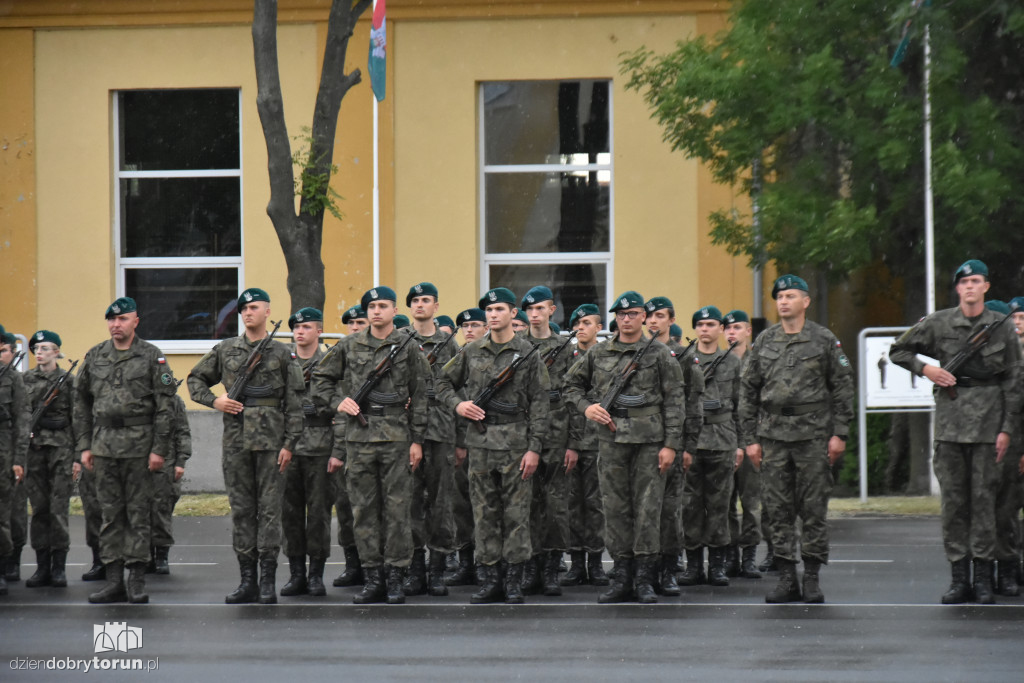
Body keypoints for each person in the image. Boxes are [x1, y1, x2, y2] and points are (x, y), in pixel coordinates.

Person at [890, 261, 1022, 604]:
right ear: (957, 288)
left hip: (989, 426)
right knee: (953, 505)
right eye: (964, 282)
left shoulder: (1001, 326)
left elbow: (1013, 381)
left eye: (976, 281)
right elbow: (898, 350)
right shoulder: (939, 322)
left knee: (984, 502)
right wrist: (928, 369)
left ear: (986, 287)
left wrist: (1007, 429)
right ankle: (959, 577)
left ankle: (982, 578)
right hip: (950, 427)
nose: (969, 287)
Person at [563, 291, 685, 603]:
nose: (626, 319)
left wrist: (671, 444)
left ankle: (645, 578)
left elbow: (674, 402)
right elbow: (570, 386)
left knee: (647, 510)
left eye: (632, 314)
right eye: (621, 315)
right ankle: (622, 576)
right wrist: (587, 408)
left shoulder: (659, 354)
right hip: (611, 440)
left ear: (644, 317)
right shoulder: (599, 353)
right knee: (615, 510)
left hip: (649, 441)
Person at [739, 275, 854, 604]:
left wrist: (840, 433)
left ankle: (813, 577)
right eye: (779, 296)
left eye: (791, 295)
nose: (783, 301)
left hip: (813, 436)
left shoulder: (823, 340)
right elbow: (747, 390)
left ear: (805, 301)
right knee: (778, 510)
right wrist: (750, 439)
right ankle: (787, 576)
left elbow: (843, 386)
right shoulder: (764, 342)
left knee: (814, 510)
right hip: (773, 437)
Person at [311, 286, 430, 605]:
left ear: (394, 310)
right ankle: (373, 577)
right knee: (363, 510)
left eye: (383, 305)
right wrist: (340, 402)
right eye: (372, 306)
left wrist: (417, 440)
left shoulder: (408, 347)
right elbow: (319, 382)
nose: (377, 311)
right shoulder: (349, 346)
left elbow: (421, 395)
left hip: (396, 437)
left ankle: (395, 578)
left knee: (397, 511)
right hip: (359, 439)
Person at [188, 288, 305, 605]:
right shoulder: (226, 350)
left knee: (270, 512)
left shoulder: (282, 354)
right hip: (237, 442)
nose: (248, 312)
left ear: (267, 311)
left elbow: (295, 404)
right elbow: (195, 380)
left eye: (254, 307)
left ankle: (267, 581)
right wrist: (216, 400)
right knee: (242, 512)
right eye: (244, 308)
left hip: (272, 443)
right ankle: (247, 581)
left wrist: (290, 444)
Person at [435, 287, 551, 604]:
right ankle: (489, 580)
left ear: (514, 314)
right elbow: (441, 383)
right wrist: (459, 406)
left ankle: (513, 580)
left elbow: (541, 405)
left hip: (516, 444)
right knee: (484, 514)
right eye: (489, 310)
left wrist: (534, 449)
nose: (493, 315)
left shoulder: (528, 354)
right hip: (481, 444)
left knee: (516, 515)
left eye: (500, 309)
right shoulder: (471, 351)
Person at [74, 297, 178, 604]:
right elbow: (81, 404)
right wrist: (84, 445)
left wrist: (159, 449)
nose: (115, 325)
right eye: (111, 320)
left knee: (137, 515)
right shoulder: (95, 356)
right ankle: (113, 579)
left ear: (136, 322)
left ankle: (136, 579)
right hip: (104, 447)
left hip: (139, 447)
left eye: (122, 319)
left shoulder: (151, 356)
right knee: (110, 515)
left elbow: (165, 406)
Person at [644, 296, 703, 595]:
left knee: (669, 512)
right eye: (650, 316)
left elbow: (692, 406)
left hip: (673, 445)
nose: (653, 321)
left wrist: (688, 446)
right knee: (642, 511)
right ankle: (643, 570)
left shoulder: (684, 356)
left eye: (660, 316)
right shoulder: (637, 353)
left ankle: (668, 569)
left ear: (671, 320)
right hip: (641, 444)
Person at [679, 306, 741, 587]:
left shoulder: (732, 362)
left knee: (720, 505)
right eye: (700, 324)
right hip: (692, 442)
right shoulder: (683, 360)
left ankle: (717, 564)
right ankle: (693, 565)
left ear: (720, 329)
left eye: (711, 324)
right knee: (690, 506)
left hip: (723, 439)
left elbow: (742, 405)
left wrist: (741, 443)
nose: (705, 329)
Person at [521, 286, 577, 596]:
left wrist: (573, 443)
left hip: (558, 430)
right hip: (525, 430)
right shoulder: (518, 345)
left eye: (540, 308)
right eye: (529, 310)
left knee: (556, 503)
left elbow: (574, 395)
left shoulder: (564, 346)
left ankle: (553, 566)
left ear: (551, 310)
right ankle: (531, 565)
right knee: (527, 503)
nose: (535, 314)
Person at [405, 283, 458, 597]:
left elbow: (460, 392)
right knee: (410, 502)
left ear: (436, 306)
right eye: (415, 301)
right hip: (409, 433)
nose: (420, 305)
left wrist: (462, 440)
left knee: (440, 504)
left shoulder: (449, 344)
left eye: (426, 300)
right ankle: (415, 569)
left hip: (442, 432)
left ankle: (437, 570)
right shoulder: (401, 342)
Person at [279, 307, 334, 598]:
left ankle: (316, 575)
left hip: (320, 446)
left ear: (319, 330)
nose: (300, 332)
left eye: (307, 327)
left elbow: (341, 409)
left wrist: (339, 451)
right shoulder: (282, 361)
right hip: (289, 448)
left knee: (319, 515)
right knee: (290, 515)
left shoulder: (330, 361)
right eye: (297, 328)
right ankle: (296, 573)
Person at [23, 330, 75, 588]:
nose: (39, 353)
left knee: (58, 509)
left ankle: (58, 568)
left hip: (61, 450)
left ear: (57, 352)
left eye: (45, 348)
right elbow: (19, 413)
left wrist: (78, 455)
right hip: (33, 451)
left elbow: (79, 418)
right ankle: (41, 566)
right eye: (37, 349)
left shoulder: (68, 381)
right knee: (40, 509)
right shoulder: (25, 380)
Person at [563, 304, 609, 587]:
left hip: (598, 441)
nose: (581, 327)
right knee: (571, 504)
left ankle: (595, 562)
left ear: (599, 327)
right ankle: (576, 564)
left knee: (596, 505)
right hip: (570, 440)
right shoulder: (565, 356)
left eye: (587, 322)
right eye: (578, 323)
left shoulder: (606, 356)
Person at [444, 307, 488, 585]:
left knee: (490, 507)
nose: (469, 330)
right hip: (462, 442)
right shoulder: (458, 359)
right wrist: (459, 443)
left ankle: (490, 565)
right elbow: (448, 397)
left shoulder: (499, 356)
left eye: (474, 324)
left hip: (494, 443)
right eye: (464, 326)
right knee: (461, 506)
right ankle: (467, 563)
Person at [723, 309, 763, 579]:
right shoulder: (719, 363)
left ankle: (749, 555)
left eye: (737, 327)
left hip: (751, 441)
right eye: (727, 328)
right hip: (725, 442)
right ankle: (730, 556)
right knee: (725, 502)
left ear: (748, 331)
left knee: (751, 502)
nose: (731, 332)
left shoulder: (757, 362)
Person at [332, 304, 368, 587]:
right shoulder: (340, 356)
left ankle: (375, 566)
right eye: (351, 323)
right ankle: (352, 563)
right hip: (340, 439)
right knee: (345, 508)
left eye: (360, 322)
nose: (355, 327)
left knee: (371, 507)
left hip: (370, 439)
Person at [148, 384, 191, 575]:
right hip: (140, 458)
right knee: (140, 509)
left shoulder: (174, 401)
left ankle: (161, 555)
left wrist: (181, 461)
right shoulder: (140, 398)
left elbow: (183, 431)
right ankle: (146, 555)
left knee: (162, 508)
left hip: (167, 460)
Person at [0, 327, 29, 596]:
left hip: (4, 450)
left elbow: (22, 421)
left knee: (3, 514)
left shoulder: (12, 379)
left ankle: (3, 567)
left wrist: (19, 457)